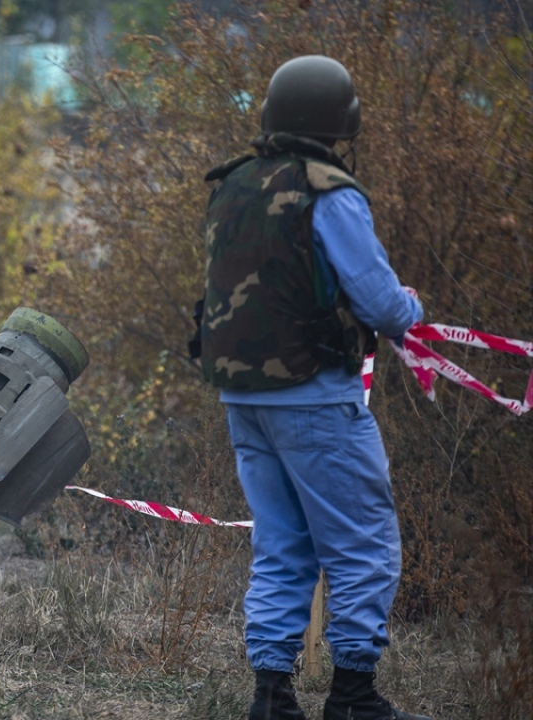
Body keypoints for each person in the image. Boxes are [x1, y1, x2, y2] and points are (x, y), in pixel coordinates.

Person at [197, 57, 431, 720]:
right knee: (363, 542)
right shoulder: (331, 192)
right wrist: (410, 307)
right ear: (339, 122)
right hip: (316, 399)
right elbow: (383, 307)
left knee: (281, 545)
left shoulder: (233, 184)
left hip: (243, 398)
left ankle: (271, 697)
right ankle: (354, 696)